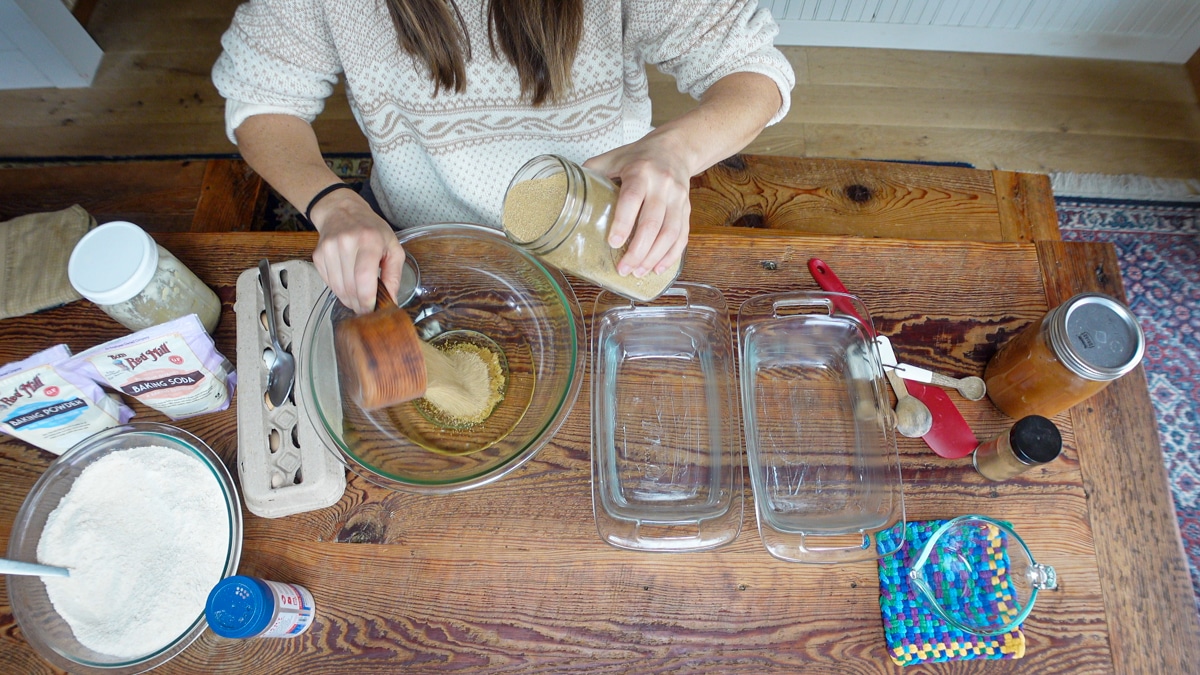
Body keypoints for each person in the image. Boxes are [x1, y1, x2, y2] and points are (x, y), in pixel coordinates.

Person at [213, 0, 794, 313]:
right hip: (415, 236)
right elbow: (261, 101)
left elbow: (754, 72)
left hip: (601, 232)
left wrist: (674, 150)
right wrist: (332, 204)